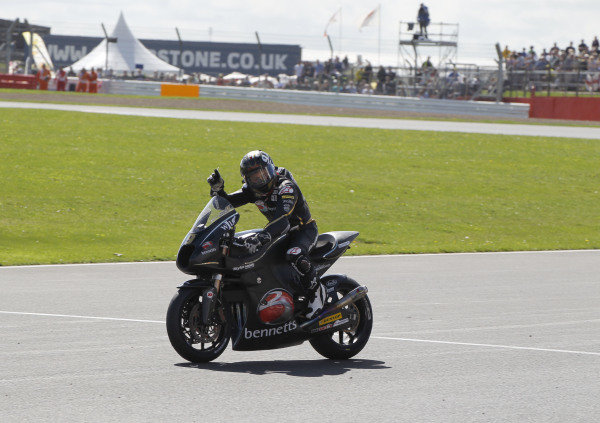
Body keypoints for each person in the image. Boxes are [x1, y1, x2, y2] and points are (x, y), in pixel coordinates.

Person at [206, 151, 325, 319]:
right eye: (254, 176)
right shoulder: (252, 191)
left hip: (302, 230)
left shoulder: (286, 187)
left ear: (271, 169)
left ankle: (316, 293)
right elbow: (225, 204)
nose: (260, 179)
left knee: (294, 253)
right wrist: (218, 190)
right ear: (247, 179)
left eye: (263, 173)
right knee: (248, 253)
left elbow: (282, 220)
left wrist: (262, 237)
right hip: (277, 233)